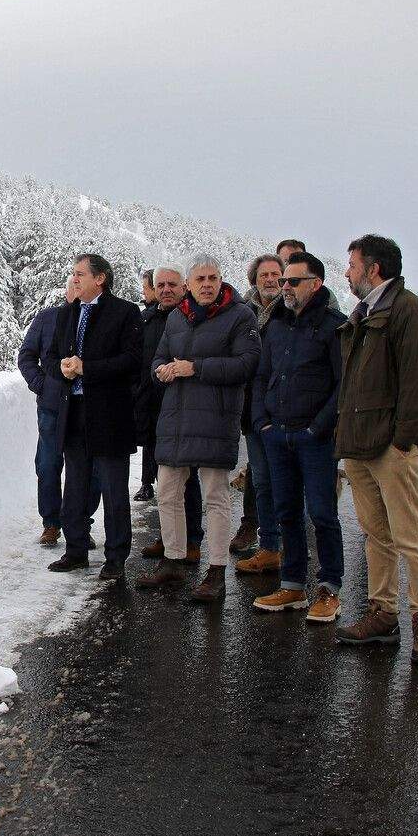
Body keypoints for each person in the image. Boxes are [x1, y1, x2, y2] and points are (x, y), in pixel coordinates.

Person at [332, 235, 418, 666]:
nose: (347, 272)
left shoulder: (409, 311)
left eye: (352, 265)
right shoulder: (364, 313)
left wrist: (405, 442)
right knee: (376, 534)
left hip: (392, 447)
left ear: (373, 269)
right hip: (359, 444)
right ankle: (382, 614)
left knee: (409, 537)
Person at [136, 253, 260, 601]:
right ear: (189, 285)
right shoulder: (177, 316)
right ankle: (173, 561)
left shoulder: (240, 316)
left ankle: (216, 571)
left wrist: (196, 367)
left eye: (212, 278)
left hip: (215, 418)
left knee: (215, 496)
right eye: (200, 279)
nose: (207, 285)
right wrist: (161, 371)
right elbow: (158, 358)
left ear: (221, 280)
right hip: (176, 417)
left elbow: (247, 364)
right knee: (168, 492)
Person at [249, 252, 348, 622]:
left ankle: (329, 589)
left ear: (315, 284)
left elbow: (343, 384)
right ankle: (292, 585)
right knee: (286, 512)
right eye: (283, 281)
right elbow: (262, 376)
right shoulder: (276, 324)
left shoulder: (335, 326)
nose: (284, 287)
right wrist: (262, 422)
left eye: (293, 281)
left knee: (322, 513)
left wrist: (317, 427)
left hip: (315, 439)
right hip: (277, 435)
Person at [44, 253, 142, 580]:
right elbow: (51, 357)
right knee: (75, 486)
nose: (74, 279)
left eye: (80, 274)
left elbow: (132, 361)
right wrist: (61, 368)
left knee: (113, 489)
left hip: (109, 414)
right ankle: (75, 551)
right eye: (73, 274)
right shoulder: (67, 313)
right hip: (73, 412)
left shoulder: (124, 312)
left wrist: (88, 368)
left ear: (100, 279)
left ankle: (116, 557)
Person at [18, 275, 102, 545]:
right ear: (66, 292)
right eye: (73, 287)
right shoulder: (47, 318)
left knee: (89, 470)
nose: (77, 291)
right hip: (52, 407)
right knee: (48, 465)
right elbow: (26, 356)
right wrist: (41, 385)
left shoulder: (98, 319)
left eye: (81, 286)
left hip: (87, 407)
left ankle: (81, 523)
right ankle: (51, 523)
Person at [135, 265, 206, 563]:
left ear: (184, 286)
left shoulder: (195, 317)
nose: (166, 290)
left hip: (187, 410)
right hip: (154, 409)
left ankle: (192, 539)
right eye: (160, 285)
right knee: (163, 481)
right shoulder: (147, 320)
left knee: (187, 479)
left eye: (172, 285)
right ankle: (168, 538)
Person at [233, 253, 282, 563]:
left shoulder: (291, 310)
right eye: (264, 275)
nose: (270, 280)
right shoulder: (243, 313)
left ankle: (290, 544)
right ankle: (268, 544)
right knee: (261, 479)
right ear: (254, 280)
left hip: (286, 411)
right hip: (253, 410)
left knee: (287, 480)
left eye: (275, 274)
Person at [135, 269, 160, 502]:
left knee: (156, 437)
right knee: (149, 438)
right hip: (145, 386)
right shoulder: (144, 317)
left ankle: (154, 481)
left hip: (158, 386)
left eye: (145, 287)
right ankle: (147, 481)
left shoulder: (166, 317)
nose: (143, 292)